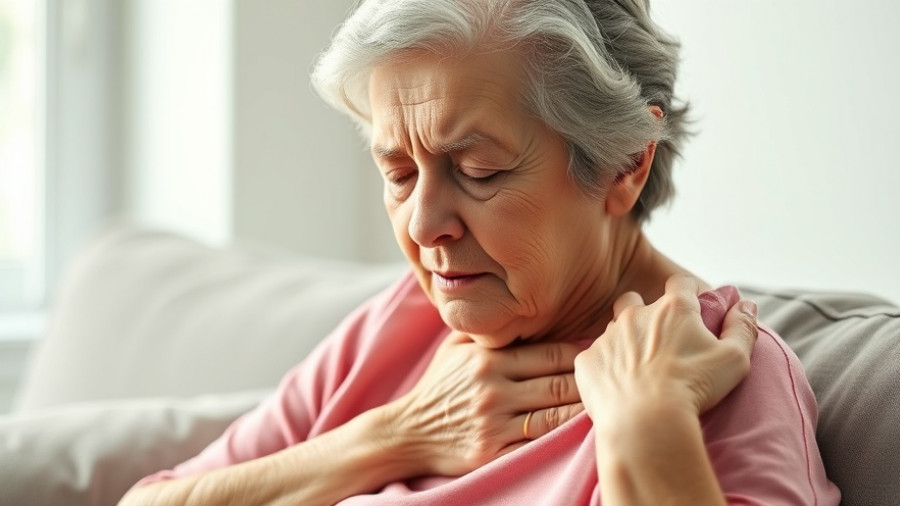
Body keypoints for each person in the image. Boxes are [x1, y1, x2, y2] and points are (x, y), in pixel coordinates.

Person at [120, 0, 840, 504]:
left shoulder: (717, 375)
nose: (423, 225)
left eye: (478, 170)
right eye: (398, 173)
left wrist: (645, 427)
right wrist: (396, 435)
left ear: (625, 164)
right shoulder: (399, 325)